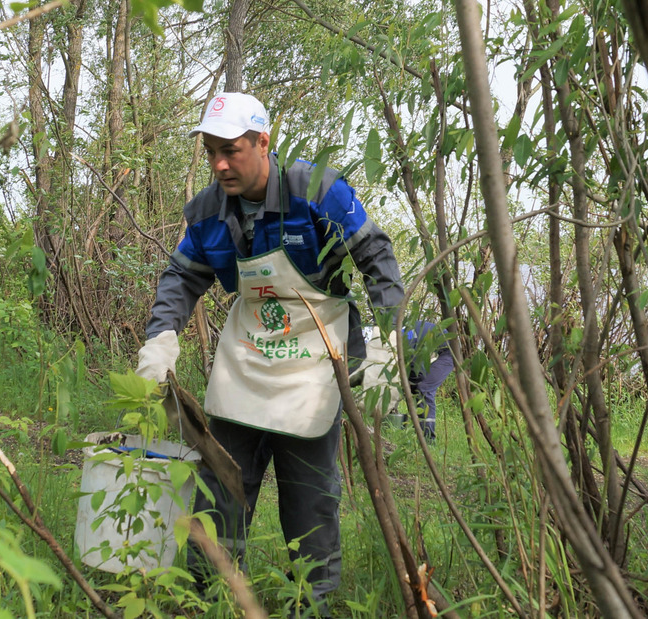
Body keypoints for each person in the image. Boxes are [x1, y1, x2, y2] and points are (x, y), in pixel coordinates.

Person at [134, 92, 404, 614]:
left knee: (310, 500)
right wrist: (161, 336)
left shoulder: (318, 190)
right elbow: (182, 277)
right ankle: (202, 600)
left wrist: (388, 339)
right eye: (210, 151)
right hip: (249, 358)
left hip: (317, 363)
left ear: (263, 142)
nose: (219, 164)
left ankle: (311, 603)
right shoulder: (208, 212)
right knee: (219, 486)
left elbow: (375, 256)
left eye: (230, 150)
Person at [404, 320, 455, 441]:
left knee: (424, 388)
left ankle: (428, 437)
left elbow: (415, 367)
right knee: (412, 386)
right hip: (436, 351)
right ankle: (416, 429)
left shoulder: (407, 337)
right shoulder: (404, 332)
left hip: (451, 354)